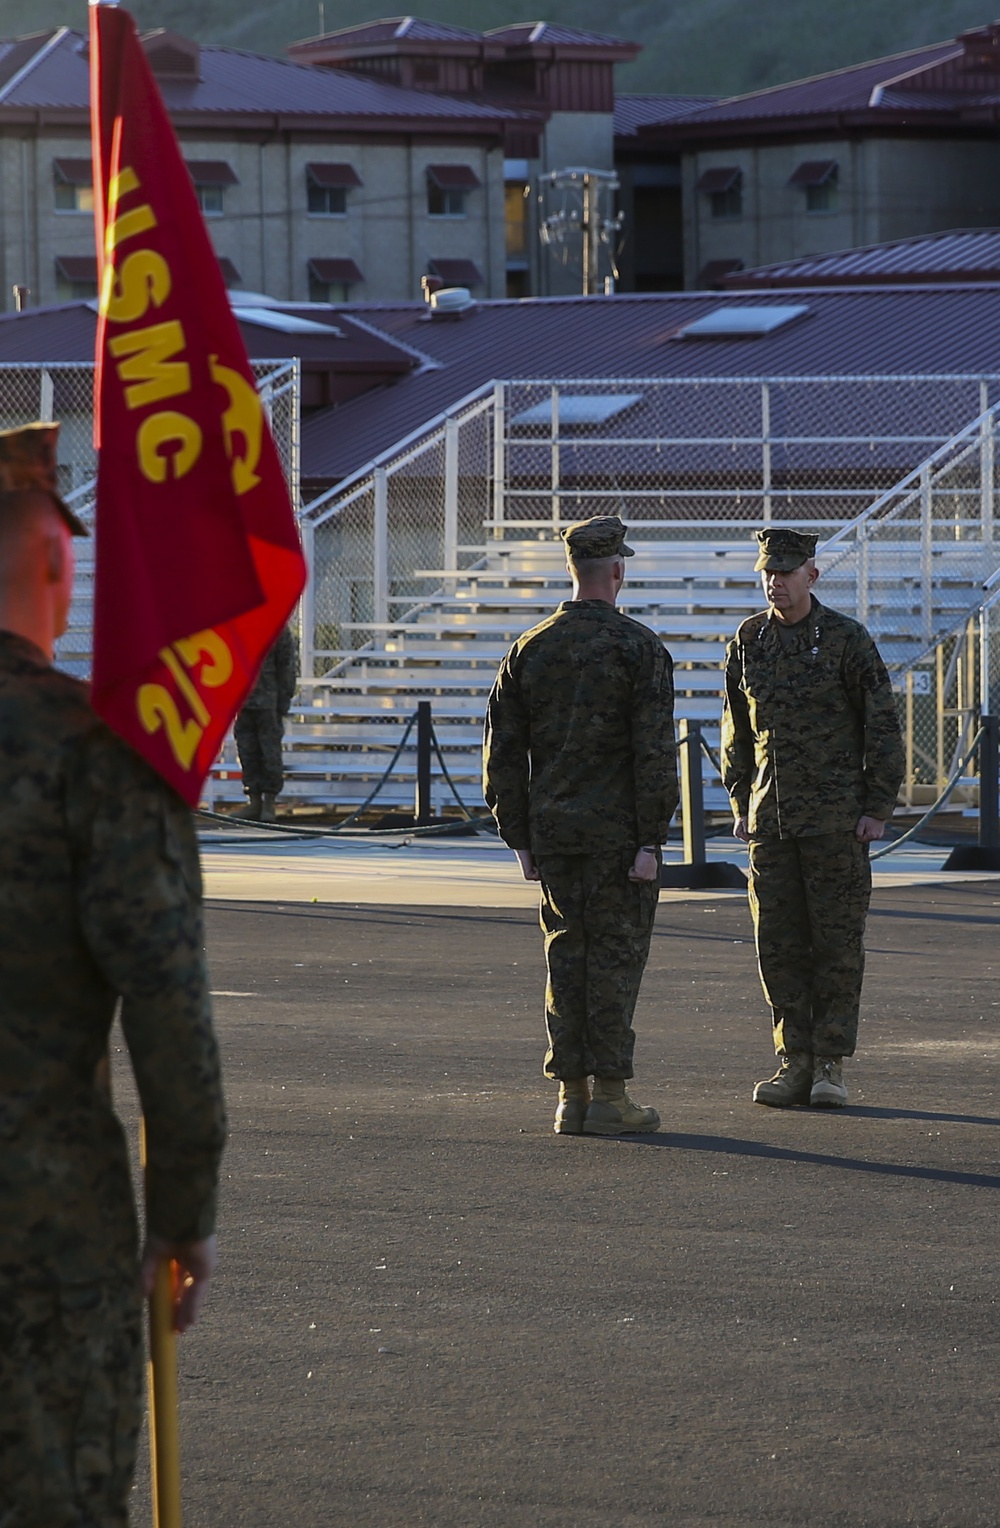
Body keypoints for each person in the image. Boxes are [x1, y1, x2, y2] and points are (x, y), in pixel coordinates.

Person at [0, 422, 227, 1525]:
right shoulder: (92, 749)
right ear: (55, 566)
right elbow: (166, 997)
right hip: (37, 1227)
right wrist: (182, 1209)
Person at [483, 515, 678, 1136]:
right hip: (619, 838)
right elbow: (654, 753)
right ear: (617, 570)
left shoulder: (530, 648)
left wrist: (517, 835)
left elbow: (502, 752)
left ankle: (570, 1095)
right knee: (615, 961)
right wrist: (652, 839)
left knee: (566, 958)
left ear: (573, 570)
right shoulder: (639, 646)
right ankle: (613, 1096)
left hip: (557, 833)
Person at [721, 527, 905, 1109]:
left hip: (836, 821)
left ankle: (830, 1063)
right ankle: (792, 1061)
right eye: (768, 572)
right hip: (770, 822)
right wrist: (739, 801)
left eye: (786, 571)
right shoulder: (749, 639)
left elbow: (882, 725)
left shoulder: (847, 639)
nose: (776, 581)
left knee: (836, 944)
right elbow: (738, 732)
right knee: (777, 945)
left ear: (812, 575)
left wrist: (878, 807)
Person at [233, 624, 297, 820]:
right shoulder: (238, 626)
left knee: (270, 752)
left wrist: (283, 701)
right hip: (242, 700)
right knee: (246, 751)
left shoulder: (277, 628)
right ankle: (254, 801)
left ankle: (269, 802)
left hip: (268, 701)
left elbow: (287, 667)